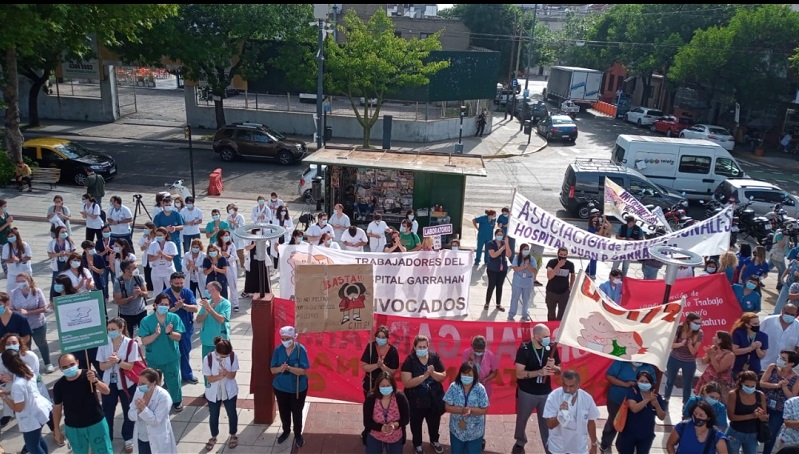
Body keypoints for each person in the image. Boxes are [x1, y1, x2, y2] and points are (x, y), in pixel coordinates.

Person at [513, 324, 561, 454]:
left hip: (545, 393)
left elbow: (559, 371)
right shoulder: (525, 349)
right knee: (522, 419)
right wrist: (539, 372)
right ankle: (520, 441)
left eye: (549, 336)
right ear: (536, 336)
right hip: (527, 392)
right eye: (545, 337)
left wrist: (554, 368)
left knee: (546, 422)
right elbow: (519, 374)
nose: (548, 339)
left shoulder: (551, 348)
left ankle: (549, 448)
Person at [52, 353, 114, 454]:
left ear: (77, 362)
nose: (69, 368)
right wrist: (57, 429)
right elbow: (57, 408)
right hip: (74, 427)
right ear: (60, 368)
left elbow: (106, 391)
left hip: (96, 423)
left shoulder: (89, 375)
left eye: (72, 365)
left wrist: (95, 381)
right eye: (65, 367)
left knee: (104, 451)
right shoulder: (59, 386)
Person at [96, 318, 140, 452]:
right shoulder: (104, 343)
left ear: (121, 329)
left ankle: (128, 437)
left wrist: (118, 361)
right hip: (109, 382)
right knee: (107, 410)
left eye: (113, 329)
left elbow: (130, 366)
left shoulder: (131, 344)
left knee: (129, 410)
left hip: (127, 382)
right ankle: (107, 437)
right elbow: (101, 367)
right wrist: (111, 363)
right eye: (108, 329)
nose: (110, 332)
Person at [139, 293, 185, 412]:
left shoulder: (174, 318)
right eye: (161, 304)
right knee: (153, 383)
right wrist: (156, 334)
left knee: (174, 381)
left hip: (171, 357)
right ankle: (154, 402)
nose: (164, 307)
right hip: (154, 359)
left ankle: (177, 401)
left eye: (166, 305)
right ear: (155, 305)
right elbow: (144, 341)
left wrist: (169, 333)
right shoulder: (146, 321)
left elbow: (178, 337)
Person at [401, 334, 447, 454]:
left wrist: (433, 374)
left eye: (424, 347)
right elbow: (407, 383)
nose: (422, 349)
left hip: (433, 399)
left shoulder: (434, 357)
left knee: (434, 422)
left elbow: (443, 376)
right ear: (415, 347)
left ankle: (434, 440)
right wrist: (424, 376)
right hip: (415, 400)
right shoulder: (409, 361)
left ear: (428, 346)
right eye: (419, 347)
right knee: (416, 423)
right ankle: (417, 445)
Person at [599, 360, 657, 452]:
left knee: (629, 424)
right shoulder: (621, 362)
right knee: (614, 421)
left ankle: (622, 446)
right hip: (617, 399)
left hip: (637, 403)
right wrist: (625, 384)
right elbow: (609, 376)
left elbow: (653, 383)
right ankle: (605, 443)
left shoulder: (648, 367)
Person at [1, 350, 51, 454]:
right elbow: (26, 391)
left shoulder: (17, 385)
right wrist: (8, 392)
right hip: (40, 410)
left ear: (6, 365)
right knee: (38, 439)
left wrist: (3, 396)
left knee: (32, 446)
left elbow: (18, 408)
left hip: (31, 418)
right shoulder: (27, 370)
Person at [269, 326, 310, 448]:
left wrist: (290, 368)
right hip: (281, 387)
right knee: (283, 411)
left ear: (293, 338)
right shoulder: (278, 350)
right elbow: (272, 370)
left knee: (297, 412)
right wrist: (280, 368)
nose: (285, 341)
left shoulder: (300, 350)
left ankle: (298, 434)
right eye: (283, 338)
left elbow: (303, 371)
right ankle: (286, 431)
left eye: (287, 338)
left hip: (297, 388)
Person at [543, 369, 600, 454]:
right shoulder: (553, 397)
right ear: (562, 383)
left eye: (571, 386)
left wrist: (594, 444)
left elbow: (591, 422)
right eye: (565, 385)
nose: (568, 390)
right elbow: (550, 425)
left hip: (578, 448)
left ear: (578, 385)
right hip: (558, 448)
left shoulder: (587, 399)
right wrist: (560, 414)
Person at [10, 273, 53, 373]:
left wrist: (29, 312)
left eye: (23, 281)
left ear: (28, 280)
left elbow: (44, 308)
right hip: (22, 326)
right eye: (18, 281)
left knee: (42, 343)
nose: (21, 283)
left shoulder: (37, 291)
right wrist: (19, 312)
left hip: (37, 323)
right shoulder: (14, 293)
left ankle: (47, 363)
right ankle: (29, 366)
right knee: (25, 346)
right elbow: (11, 309)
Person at [162, 271, 200, 385]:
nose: (179, 285)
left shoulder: (187, 292)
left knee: (185, 351)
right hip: (170, 329)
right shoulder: (165, 294)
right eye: (176, 283)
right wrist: (175, 308)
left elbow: (195, 308)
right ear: (170, 282)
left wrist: (183, 306)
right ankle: (169, 377)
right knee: (170, 354)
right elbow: (162, 311)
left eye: (181, 283)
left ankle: (186, 375)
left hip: (185, 328)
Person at [202, 337, 240, 450]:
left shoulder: (233, 356)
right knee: (213, 414)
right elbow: (209, 379)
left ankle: (233, 434)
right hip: (214, 392)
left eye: (226, 356)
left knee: (231, 413)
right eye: (223, 356)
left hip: (229, 391)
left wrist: (226, 373)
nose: (224, 358)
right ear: (216, 352)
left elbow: (232, 376)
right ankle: (213, 436)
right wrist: (221, 375)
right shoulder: (208, 359)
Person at [129, 368, 178, 454]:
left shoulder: (164, 397)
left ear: (153, 383)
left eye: (143, 383)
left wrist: (143, 409)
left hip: (158, 438)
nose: (139, 385)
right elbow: (130, 414)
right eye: (139, 382)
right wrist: (138, 411)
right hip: (142, 437)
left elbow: (155, 421)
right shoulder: (138, 391)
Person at [615, 370, 666, 454]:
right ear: (637, 382)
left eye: (646, 382)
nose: (644, 383)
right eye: (642, 381)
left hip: (646, 435)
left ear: (651, 383)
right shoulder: (632, 393)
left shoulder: (656, 397)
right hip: (629, 434)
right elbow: (634, 409)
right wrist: (647, 399)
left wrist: (656, 405)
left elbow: (662, 416)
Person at [444, 362, 490, 453]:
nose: (466, 376)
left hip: (475, 432)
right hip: (457, 431)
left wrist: (471, 410)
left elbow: (485, 409)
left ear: (474, 376)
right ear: (460, 374)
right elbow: (447, 407)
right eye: (464, 373)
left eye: (469, 374)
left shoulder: (480, 389)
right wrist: (461, 410)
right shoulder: (453, 387)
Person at [761, 350, 799, 454]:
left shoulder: (796, 378)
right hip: (764, 404)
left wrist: (784, 387)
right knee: (755, 429)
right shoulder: (772, 367)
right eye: (780, 357)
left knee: (771, 434)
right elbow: (762, 383)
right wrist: (776, 385)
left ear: (791, 363)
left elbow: (792, 397)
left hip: (779, 410)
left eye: (783, 359)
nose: (780, 360)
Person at [363, 372, 410, 454]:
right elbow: (367, 422)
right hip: (375, 436)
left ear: (393, 385)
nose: (385, 388)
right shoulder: (371, 398)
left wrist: (395, 424)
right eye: (382, 386)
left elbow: (406, 419)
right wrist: (381, 428)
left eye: (388, 386)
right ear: (378, 386)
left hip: (395, 437)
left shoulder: (400, 397)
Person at [665, 313, 704, 407]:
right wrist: (681, 344)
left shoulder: (699, 333)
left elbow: (694, 352)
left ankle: (685, 403)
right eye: (696, 323)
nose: (698, 325)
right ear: (688, 321)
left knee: (687, 384)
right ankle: (666, 399)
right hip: (675, 358)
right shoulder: (679, 328)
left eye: (700, 323)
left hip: (689, 361)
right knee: (670, 381)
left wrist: (690, 344)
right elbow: (671, 344)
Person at [726, 370, 768, 454]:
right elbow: (731, 417)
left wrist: (760, 415)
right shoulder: (733, 394)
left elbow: (765, 417)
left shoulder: (760, 395)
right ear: (741, 383)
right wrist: (752, 415)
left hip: (752, 434)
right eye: (747, 385)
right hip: (735, 432)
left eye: (753, 386)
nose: (750, 388)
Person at [198, 281, 231, 386]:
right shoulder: (207, 303)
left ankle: (222, 386)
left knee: (221, 366)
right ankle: (208, 386)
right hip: (207, 340)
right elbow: (198, 319)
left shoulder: (225, 303)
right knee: (207, 365)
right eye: (208, 290)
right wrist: (206, 312)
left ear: (218, 290)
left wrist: (210, 309)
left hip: (220, 342)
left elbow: (221, 319)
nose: (209, 292)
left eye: (211, 290)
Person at [360, 325, 400, 397]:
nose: (380, 339)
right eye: (379, 336)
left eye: (383, 337)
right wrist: (377, 365)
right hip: (370, 384)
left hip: (385, 386)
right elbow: (364, 366)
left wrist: (382, 366)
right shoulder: (371, 347)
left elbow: (393, 372)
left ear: (387, 338)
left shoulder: (393, 351)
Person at [696, 331, 736, 399]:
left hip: (719, 383)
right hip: (706, 379)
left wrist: (712, 356)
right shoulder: (714, 348)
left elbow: (719, 369)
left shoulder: (729, 355)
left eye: (715, 337)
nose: (713, 338)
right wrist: (709, 353)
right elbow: (703, 361)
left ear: (720, 340)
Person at [113, 260, 148, 335]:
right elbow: (118, 301)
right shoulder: (118, 282)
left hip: (141, 312)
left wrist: (140, 292)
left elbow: (146, 294)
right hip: (126, 314)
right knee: (127, 337)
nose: (137, 269)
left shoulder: (139, 278)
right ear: (126, 270)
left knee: (146, 334)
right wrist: (132, 297)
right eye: (134, 268)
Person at [761, 304, 799, 370]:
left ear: (796, 315)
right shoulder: (768, 321)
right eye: (787, 313)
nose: (789, 316)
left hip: (783, 368)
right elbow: (755, 337)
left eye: (792, 314)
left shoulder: (798, 326)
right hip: (763, 363)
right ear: (782, 311)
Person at [461, 335, 499, 399]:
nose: (479, 352)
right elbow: (464, 370)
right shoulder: (466, 353)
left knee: (483, 407)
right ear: (472, 346)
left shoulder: (490, 355)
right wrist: (470, 359)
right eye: (477, 351)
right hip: (469, 386)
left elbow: (495, 372)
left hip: (485, 387)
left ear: (485, 348)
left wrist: (486, 379)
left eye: (481, 351)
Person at [732, 313, 768, 378]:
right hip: (738, 367)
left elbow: (762, 356)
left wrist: (758, 348)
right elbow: (734, 351)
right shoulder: (739, 333)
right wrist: (750, 348)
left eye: (758, 323)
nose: (758, 325)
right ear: (747, 325)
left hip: (754, 368)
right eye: (755, 324)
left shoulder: (763, 336)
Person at [153, 197, 184, 270]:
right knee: (163, 259)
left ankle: (178, 274)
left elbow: (182, 226)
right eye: (166, 205)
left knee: (177, 259)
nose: (168, 206)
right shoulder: (158, 216)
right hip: (162, 242)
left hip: (175, 240)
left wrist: (175, 228)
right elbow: (155, 229)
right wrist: (164, 229)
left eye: (169, 205)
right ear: (162, 205)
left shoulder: (176, 214)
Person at [508, 243, 537, 321]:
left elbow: (534, 270)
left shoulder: (532, 259)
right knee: (515, 298)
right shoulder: (517, 258)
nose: (526, 251)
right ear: (521, 250)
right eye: (525, 249)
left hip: (527, 282)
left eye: (527, 249)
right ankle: (511, 314)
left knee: (526, 299)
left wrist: (528, 266)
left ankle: (525, 314)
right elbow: (515, 268)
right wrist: (524, 266)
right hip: (518, 281)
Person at [545, 247, 575, 321]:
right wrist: (558, 266)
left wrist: (571, 286)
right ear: (558, 254)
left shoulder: (570, 264)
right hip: (551, 291)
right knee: (551, 312)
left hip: (564, 292)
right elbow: (549, 276)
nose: (563, 256)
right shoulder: (552, 262)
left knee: (562, 313)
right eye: (561, 254)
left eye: (565, 255)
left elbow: (573, 275)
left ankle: (558, 328)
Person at [484, 228, 510, 312]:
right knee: (491, 286)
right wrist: (502, 248)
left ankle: (498, 303)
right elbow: (493, 255)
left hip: (502, 269)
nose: (499, 236)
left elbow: (509, 254)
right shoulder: (490, 243)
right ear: (495, 235)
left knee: (500, 286)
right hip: (492, 268)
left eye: (501, 235)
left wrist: (507, 244)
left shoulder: (504, 243)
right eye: (498, 234)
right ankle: (487, 303)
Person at [47, 225, 75, 301]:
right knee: (55, 282)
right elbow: (50, 254)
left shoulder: (69, 242)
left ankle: (68, 298)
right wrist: (58, 254)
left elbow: (74, 254)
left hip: (66, 264)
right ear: (58, 233)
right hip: (57, 264)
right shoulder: (52, 243)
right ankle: (52, 301)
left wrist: (66, 253)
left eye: (65, 232)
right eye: (62, 232)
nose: (64, 233)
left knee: (68, 282)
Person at [147, 227, 178, 293]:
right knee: (157, 291)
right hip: (156, 271)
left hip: (168, 270)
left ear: (165, 235)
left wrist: (163, 254)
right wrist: (158, 256)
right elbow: (150, 259)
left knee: (172, 290)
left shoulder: (171, 244)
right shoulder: (153, 245)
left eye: (160, 235)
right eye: (157, 235)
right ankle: (157, 303)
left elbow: (170, 258)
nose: (158, 237)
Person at [2, 228, 32, 293]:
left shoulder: (24, 245)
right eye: (9, 237)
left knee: (26, 290)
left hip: (25, 272)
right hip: (12, 273)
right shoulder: (6, 247)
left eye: (12, 236)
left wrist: (20, 259)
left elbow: (29, 257)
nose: (10, 238)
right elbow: (5, 260)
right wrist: (12, 259)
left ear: (17, 236)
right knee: (10, 291)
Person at [217, 231, 240, 311]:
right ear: (220, 237)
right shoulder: (215, 245)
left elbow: (235, 257)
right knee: (221, 287)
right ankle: (222, 304)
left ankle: (235, 304)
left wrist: (228, 255)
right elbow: (212, 255)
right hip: (220, 268)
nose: (227, 237)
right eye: (225, 235)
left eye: (228, 235)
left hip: (230, 268)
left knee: (233, 286)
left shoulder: (231, 245)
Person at [586, 209, 611, 278]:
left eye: (596, 220)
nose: (595, 222)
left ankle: (587, 271)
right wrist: (602, 226)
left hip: (598, 245)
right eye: (593, 220)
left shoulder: (598, 226)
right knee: (594, 259)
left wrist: (605, 220)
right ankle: (592, 274)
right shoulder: (590, 228)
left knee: (593, 259)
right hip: (591, 245)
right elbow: (599, 234)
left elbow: (610, 227)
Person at [138, 221, 156, 290]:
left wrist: (150, 245)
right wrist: (145, 245)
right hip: (146, 258)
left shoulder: (155, 238)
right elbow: (142, 248)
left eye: (146, 228)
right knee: (147, 273)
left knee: (153, 274)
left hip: (154, 258)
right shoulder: (144, 237)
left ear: (151, 229)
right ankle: (149, 288)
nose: (144, 229)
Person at [0, 199, 13, 277]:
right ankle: (6, 272)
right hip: (1, 240)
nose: (6, 208)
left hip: (7, 238)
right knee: (3, 257)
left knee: (8, 255)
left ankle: (9, 270)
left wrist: (9, 222)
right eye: (4, 206)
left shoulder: (5, 214)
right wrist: (7, 223)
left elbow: (9, 226)